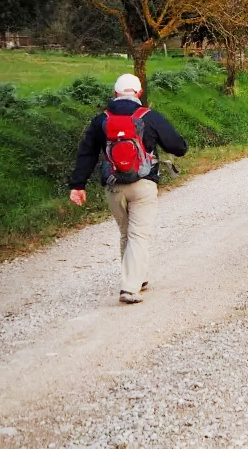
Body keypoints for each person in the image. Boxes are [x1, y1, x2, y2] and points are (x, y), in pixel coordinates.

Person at [67, 74, 189, 305]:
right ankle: (130, 288)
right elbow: (177, 145)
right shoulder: (148, 116)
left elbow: (87, 153)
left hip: (114, 187)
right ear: (139, 93)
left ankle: (138, 277)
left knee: (126, 234)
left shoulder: (100, 120)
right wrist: (180, 149)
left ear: (115, 94)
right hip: (144, 184)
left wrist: (78, 184)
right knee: (139, 235)